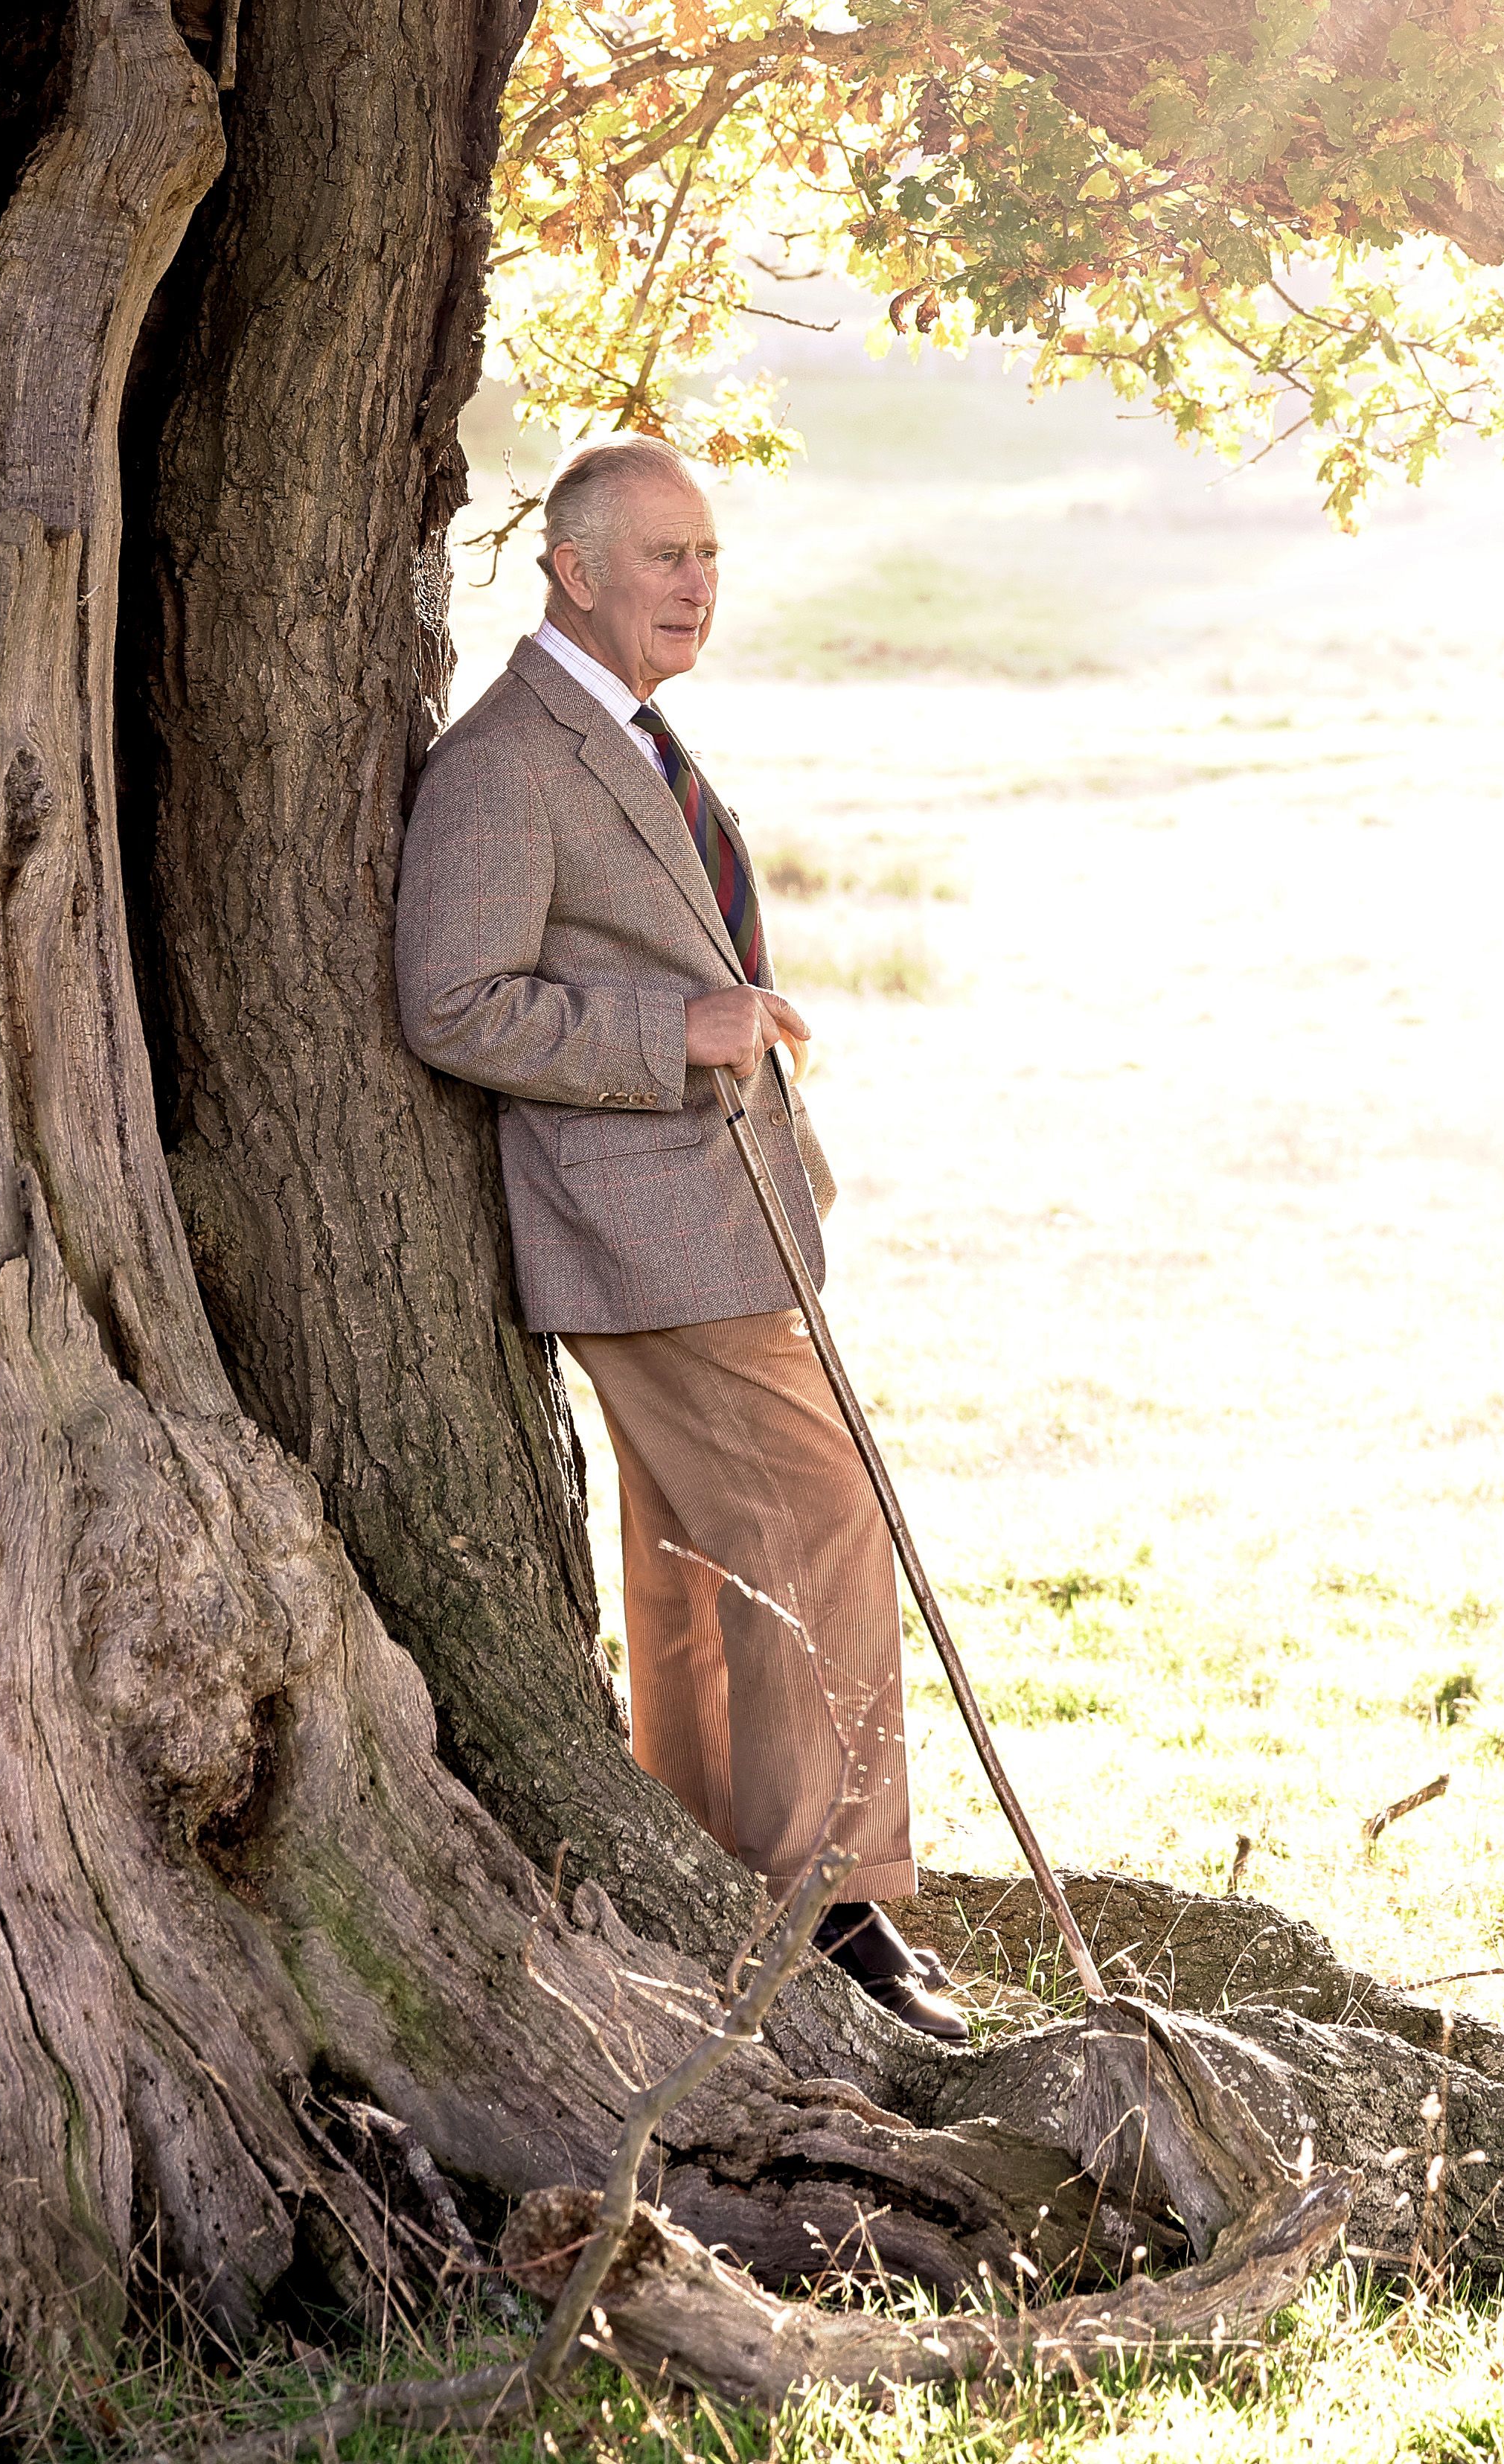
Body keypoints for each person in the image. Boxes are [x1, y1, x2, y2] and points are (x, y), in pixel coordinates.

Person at [392, 433, 972, 2041]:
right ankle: (831, 1908)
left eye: (708, 556)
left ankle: (725, 1869)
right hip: (641, 1230)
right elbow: (451, 1001)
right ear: (573, 567)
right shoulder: (511, 759)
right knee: (818, 1517)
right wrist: (683, 1027)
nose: (696, 585)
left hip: (717, 1218)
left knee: (701, 1557)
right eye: (663, 557)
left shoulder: (631, 737)